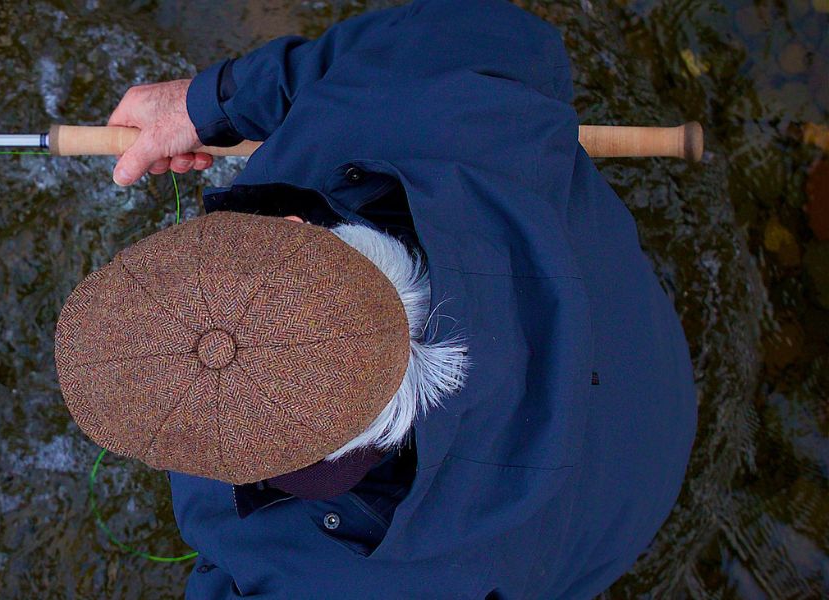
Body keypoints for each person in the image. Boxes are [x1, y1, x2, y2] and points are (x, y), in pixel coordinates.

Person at [53, 0, 698, 597]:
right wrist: (212, 101)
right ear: (291, 228)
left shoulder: (281, 561)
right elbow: (504, 31)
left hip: (627, 512)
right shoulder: (416, 111)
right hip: (644, 337)